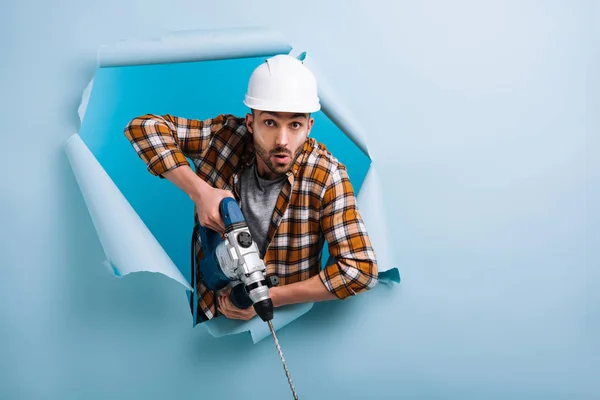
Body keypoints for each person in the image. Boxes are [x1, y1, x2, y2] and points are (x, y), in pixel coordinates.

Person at [123, 54, 379, 323]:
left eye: (295, 125)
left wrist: (268, 297)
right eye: (270, 123)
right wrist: (200, 192)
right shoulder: (223, 139)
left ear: (308, 127)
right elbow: (142, 128)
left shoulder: (326, 176)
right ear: (250, 122)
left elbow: (359, 270)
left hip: (281, 323)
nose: (282, 141)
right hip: (211, 313)